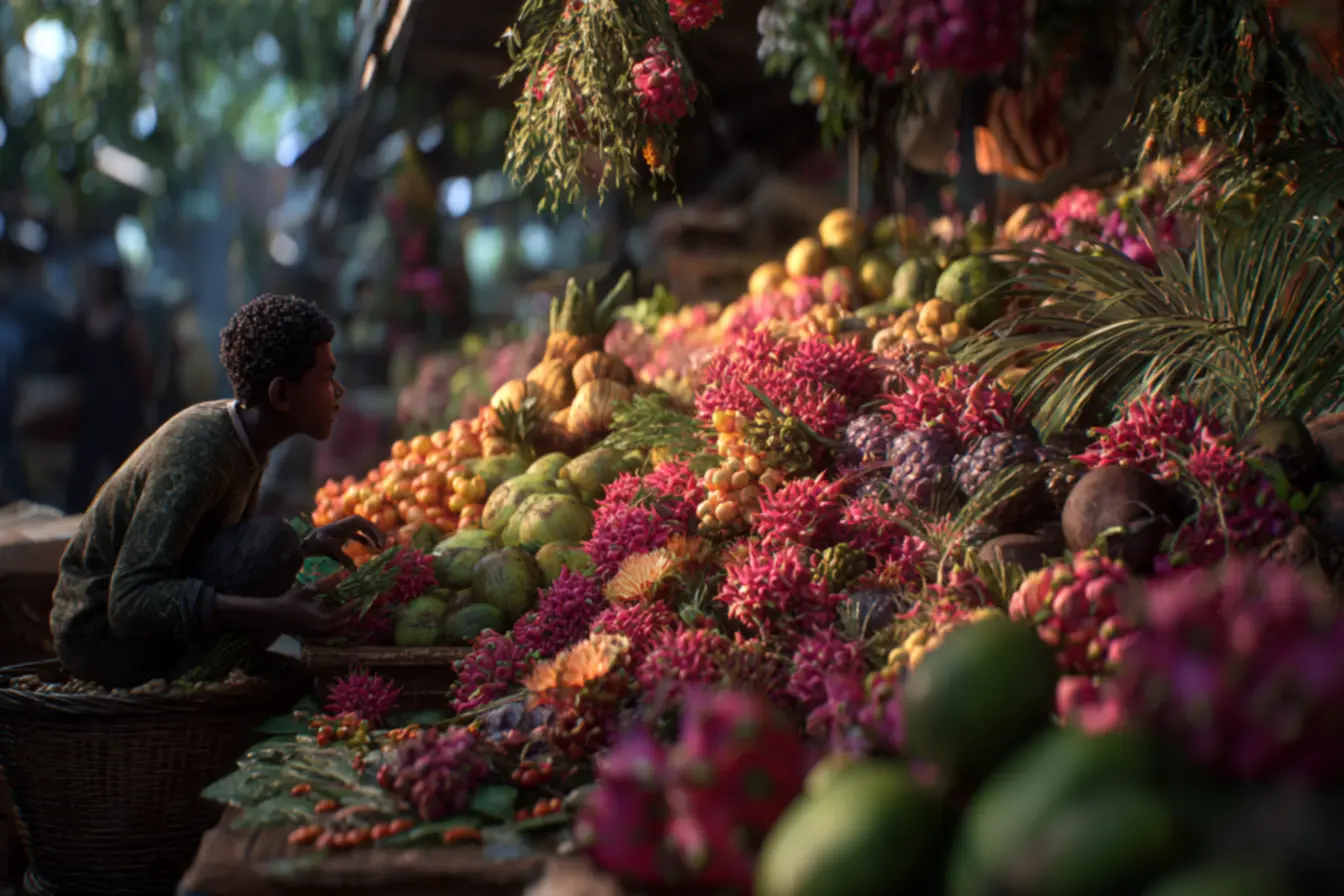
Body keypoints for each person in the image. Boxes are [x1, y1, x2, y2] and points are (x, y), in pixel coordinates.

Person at [50, 293, 385, 687]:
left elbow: (206, 553)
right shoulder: (201, 450)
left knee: (279, 548)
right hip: (98, 636)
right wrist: (272, 612)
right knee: (272, 543)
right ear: (280, 395)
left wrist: (308, 544)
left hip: (131, 624)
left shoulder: (247, 443)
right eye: (327, 378)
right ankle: (189, 680)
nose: (339, 391)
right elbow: (128, 600)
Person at [64, 262, 155, 512]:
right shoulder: (83, 315)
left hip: (121, 410)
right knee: (82, 472)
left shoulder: (126, 321)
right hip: (90, 408)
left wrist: (142, 406)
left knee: (123, 471)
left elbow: (143, 367)